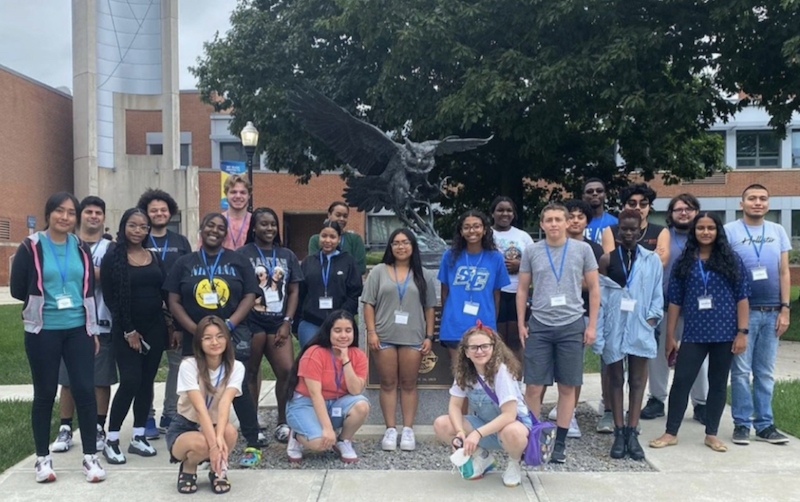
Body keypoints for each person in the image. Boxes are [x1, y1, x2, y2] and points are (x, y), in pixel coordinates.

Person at [10, 191, 106, 483]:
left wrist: (92, 329)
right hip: (43, 330)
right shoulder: (31, 246)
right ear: (48, 213)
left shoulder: (79, 247)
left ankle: (90, 457)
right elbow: (17, 289)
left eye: (70, 213)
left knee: (85, 391)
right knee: (44, 393)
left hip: (78, 328)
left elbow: (87, 288)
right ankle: (42, 459)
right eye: (59, 211)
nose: (65, 217)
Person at [165, 212, 266, 466]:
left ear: (225, 233)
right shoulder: (184, 262)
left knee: (236, 388)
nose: (215, 230)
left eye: (221, 227)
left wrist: (231, 322)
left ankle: (252, 442)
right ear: (201, 228)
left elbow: (250, 294)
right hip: (194, 337)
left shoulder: (238, 260)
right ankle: (197, 438)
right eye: (210, 225)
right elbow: (173, 299)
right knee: (197, 391)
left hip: (231, 334)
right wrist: (193, 329)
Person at [649, 213, 750, 453]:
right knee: (681, 382)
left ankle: (712, 434)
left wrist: (742, 332)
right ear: (694, 231)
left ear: (718, 231)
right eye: (701, 228)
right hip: (694, 334)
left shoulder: (731, 260)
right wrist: (670, 336)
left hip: (724, 333)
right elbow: (675, 301)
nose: (706, 232)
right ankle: (671, 432)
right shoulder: (684, 262)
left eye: (711, 228)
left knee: (717, 384)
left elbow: (742, 297)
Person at [517, 203, 599, 464]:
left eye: (558, 219)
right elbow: (522, 289)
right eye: (548, 220)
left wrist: (592, 325)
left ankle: (560, 443)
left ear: (567, 223)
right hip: (540, 323)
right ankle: (531, 438)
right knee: (533, 386)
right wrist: (522, 322)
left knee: (567, 385)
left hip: (572, 323)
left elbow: (595, 289)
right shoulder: (532, 251)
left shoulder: (582, 250)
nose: (553, 224)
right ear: (541, 224)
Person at [594, 209, 664, 460]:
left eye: (634, 229)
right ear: (618, 230)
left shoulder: (651, 260)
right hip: (614, 326)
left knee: (637, 380)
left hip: (640, 326)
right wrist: (599, 332)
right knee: (614, 379)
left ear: (641, 230)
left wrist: (653, 318)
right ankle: (618, 431)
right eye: (624, 229)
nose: (629, 233)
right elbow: (600, 299)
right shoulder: (607, 260)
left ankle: (632, 432)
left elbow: (657, 292)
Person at [100, 208, 168, 464]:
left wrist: (169, 327)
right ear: (123, 226)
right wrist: (128, 330)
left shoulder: (154, 256)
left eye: (143, 227)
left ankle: (138, 436)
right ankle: (112, 439)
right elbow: (110, 299)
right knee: (130, 380)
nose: (138, 231)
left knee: (146, 382)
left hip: (155, 328)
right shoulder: (113, 257)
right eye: (133, 225)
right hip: (126, 331)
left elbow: (163, 293)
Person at [725, 184, 791, 445]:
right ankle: (741, 423)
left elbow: (784, 271)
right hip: (744, 313)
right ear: (742, 203)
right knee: (740, 372)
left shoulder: (778, 231)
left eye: (763, 199)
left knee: (764, 372)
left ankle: (765, 424)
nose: (758, 202)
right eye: (752, 198)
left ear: (768, 203)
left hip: (773, 310)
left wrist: (785, 308)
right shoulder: (730, 231)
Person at [51, 196, 116, 456]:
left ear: (103, 218)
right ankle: (66, 428)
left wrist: (86, 274)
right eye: (88, 211)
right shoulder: (68, 245)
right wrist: (95, 275)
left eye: (98, 212)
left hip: (103, 320)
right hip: (70, 320)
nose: (93, 216)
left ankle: (98, 427)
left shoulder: (110, 249)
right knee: (67, 380)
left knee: (101, 380)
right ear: (80, 216)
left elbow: (111, 277)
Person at [362, 229, 437, 452]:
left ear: (413, 246)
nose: (400, 247)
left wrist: (429, 336)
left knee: (409, 383)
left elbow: (430, 308)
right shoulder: (378, 272)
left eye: (405, 242)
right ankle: (390, 429)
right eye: (395, 243)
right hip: (384, 336)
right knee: (387, 383)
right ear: (390, 247)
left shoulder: (424, 274)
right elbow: (368, 304)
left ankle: (407, 429)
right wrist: (371, 332)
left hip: (413, 336)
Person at [433, 324, 532, 487]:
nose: (479, 351)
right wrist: (459, 432)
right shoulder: (464, 372)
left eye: (484, 346)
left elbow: (509, 415)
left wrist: (477, 434)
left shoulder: (502, 372)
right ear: (466, 351)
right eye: (474, 347)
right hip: (485, 425)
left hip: (510, 427)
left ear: (494, 348)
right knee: (442, 424)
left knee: (513, 431)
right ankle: (482, 456)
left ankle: (514, 462)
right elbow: (455, 406)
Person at [238, 207, 303, 447]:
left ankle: (283, 422)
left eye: (272, 224)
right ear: (253, 226)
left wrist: (288, 321)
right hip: (252, 321)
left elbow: (294, 290)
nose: (269, 228)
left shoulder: (286, 254)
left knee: (287, 371)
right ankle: (252, 424)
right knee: (251, 372)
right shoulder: (242, 253)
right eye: (263, 224)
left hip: (278, 322)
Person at [641, 194, 708, 421]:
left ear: (696, 212)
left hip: (697, 310)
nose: (684, 213)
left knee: (698, 358)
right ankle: (657, 399)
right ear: (670, 214)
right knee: (659, 357)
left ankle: (701, 403)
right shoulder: (663, 237)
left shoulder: (705, 236)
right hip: (664, 307)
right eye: (678, 209)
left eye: (689, 209)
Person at [137, 188, 193, 438]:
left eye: (163, 209)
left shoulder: (180, 242)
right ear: (146, 214)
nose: (159, 213)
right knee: (145, 367)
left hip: (175, 313)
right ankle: (145, 415)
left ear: (170, 212)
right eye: (153, 210)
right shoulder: (139, 238)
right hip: (146, 312)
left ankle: (170, 413)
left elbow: (188, 276)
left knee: (176, 365)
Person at [166, 316, 243, 495]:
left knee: (230, 432)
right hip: (186, 425)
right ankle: (189, 467)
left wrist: (219, 440)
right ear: (199, 342)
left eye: (219, 336)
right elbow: (200, 409)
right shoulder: (188, 366)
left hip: (216, 422)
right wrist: (214, 446)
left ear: (227, 339)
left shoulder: (236, 367)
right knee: (203, 444)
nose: (214, 342)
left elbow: (225, 404)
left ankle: (217, 470)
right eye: (207, 338)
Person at [549, 199, 606, 436]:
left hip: (580, 314)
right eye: (570, 216)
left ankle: (569, 414)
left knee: (573, 369)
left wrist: (568, 282)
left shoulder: (593, 249)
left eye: (580, 217)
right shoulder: (551, 246)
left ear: (586, 221)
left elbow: (594, 285)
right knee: (550, 368)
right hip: (550, 315)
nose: (574, 220)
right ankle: (559, 407)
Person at [284, 310, 370, 463]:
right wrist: (328, 429)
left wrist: (345, 360)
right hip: (306, 403)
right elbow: (315, 394)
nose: (343, 335)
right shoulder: (314, 353)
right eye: (337, 330)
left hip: (336, 402)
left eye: (348, 330)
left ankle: (343, 440)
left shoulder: (358, 355)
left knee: (362, 405)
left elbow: (355, 390)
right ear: (328, 332)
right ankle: (296, 435)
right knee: (320, 444)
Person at [438, 210, 510, 362]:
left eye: (476, 226)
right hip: (455, 325)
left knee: (483, 375)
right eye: (467, 227)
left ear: (484, 230)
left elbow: (496, 296)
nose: (472, 231)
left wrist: (491, 321)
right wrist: (449, 316)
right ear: (461, 231)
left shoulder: (495, 258)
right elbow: (445, 292)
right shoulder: (449, 256)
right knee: (460, 377)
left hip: (483, 325)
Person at [298, 221, 363, 348]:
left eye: (332, 237)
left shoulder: (348, 262)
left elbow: (354, 292)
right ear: (319, 237)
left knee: (338, 362)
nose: (327, 240)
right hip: (311, 322)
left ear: (339, 239)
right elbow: (300, 292)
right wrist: (297, 321)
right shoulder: (308, 262)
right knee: (311, 361)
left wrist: (342, 315)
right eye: (324, 236)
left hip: (340, 323)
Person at [490, 196, 533, 363]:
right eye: (500, 210)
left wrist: (520, 265)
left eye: (509, 210)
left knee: (516, 340)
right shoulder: (486, 234)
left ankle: (516, 383)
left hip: (517, 292)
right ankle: (497, 383)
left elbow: (534, 262)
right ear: (492, 213)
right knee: (496, 340)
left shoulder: (523, 236)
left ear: (514, 214)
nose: (505, 213)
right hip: (494, 293)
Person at [602, 183, 670, 266]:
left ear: (649, 207)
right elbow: (612, 264)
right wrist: (651, 257)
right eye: (632, 204)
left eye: (643, 204)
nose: (638, 208)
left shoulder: (661, 231)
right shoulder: (610, 231)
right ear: (623, 206)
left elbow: (660, 264)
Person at [308, 201, 367, 275]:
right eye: (338, 215)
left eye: (345, 216)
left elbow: (361, 268)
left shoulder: (355, 239)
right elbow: (313, 265)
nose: (342, 219)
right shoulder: (316, 240)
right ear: (329, 215)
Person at [582, 178, 618, 243]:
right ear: (583, 197)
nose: (595, 194)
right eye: (590, 191)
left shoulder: (615, 223)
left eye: (599, 191)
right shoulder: (575, 223)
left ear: (605, 195)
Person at [222, 174, 252, 250]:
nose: (238, 196)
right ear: (226, 194)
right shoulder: (217, 222)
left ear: (249, 195)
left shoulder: (256, 222)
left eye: (243, 192)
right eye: (233, 192)